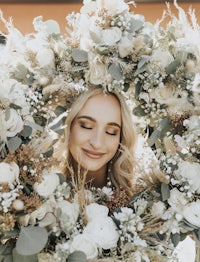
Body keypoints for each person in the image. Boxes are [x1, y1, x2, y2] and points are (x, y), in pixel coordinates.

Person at [61, 87, 138, 195]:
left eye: (111, 132)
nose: (97, 143)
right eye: (86, 126)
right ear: (67, 127)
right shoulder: (35, 187)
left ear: (121, 140)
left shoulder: (137, 199)